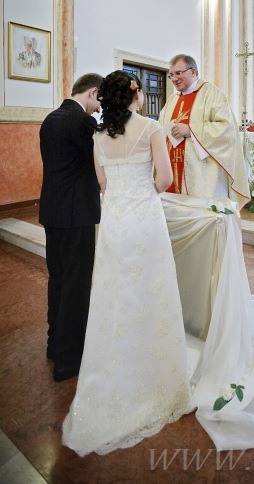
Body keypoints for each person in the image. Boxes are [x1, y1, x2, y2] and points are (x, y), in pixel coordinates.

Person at [62, 71, 190, 456]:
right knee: (151, 293)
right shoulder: (151, 127)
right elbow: (165, 179)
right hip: (145, 220)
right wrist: (143, 196)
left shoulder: (98, 135)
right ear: (136, 94)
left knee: (116, 296)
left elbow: (103, 184)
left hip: (115, 223)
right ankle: (156, 373)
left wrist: (125, 197)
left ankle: (116, 368)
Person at [39, 72, 103, 382]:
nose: (97, 110)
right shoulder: (82, 123)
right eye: (98, 103)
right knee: (77, 286)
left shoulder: (50, 119)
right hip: (77, 215)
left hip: (53, 212)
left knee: (59, 279)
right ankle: (69, 360)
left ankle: (54, 344)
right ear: (92, 93)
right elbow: (96, 164)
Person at [158, 54, 250, 208]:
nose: (174, 79)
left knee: (203, 214)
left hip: (202, 172)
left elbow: (226, 129)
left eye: (178, 73)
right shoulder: (172, 100)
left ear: (193, 72)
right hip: (173, 167)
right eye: (171, 75)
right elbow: (161, 127)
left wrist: (191, 130)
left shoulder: (212, 94)